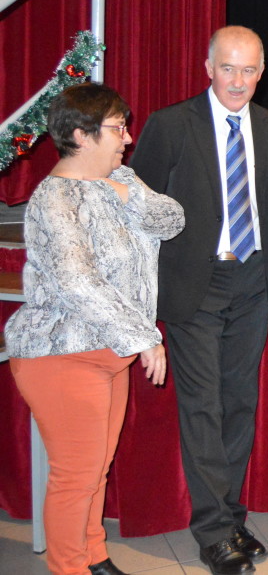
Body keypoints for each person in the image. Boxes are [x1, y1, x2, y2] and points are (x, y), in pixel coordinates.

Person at [128, 26, 268, 575]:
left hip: (254, 283)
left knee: (240, 403)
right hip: (194, 286)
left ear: (261, 72)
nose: (237, 81)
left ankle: (231, 516)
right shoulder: (171, 124)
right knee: (203, 407)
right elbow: (138, 211)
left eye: (248, 70)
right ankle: (214, 532)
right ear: (207, 68)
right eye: (228, 68)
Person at [5, 84, 184, 575]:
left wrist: (128, 194)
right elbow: (77, 281)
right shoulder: (53, 200)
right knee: (75, 478)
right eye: (117, 128)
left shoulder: (120, 178)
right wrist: (144, 337)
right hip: (62, 354)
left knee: (95, 470)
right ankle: (69, 566)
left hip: (110, 355)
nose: (128, 138)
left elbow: (172, 219)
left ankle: (94, 556)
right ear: (81, 136)